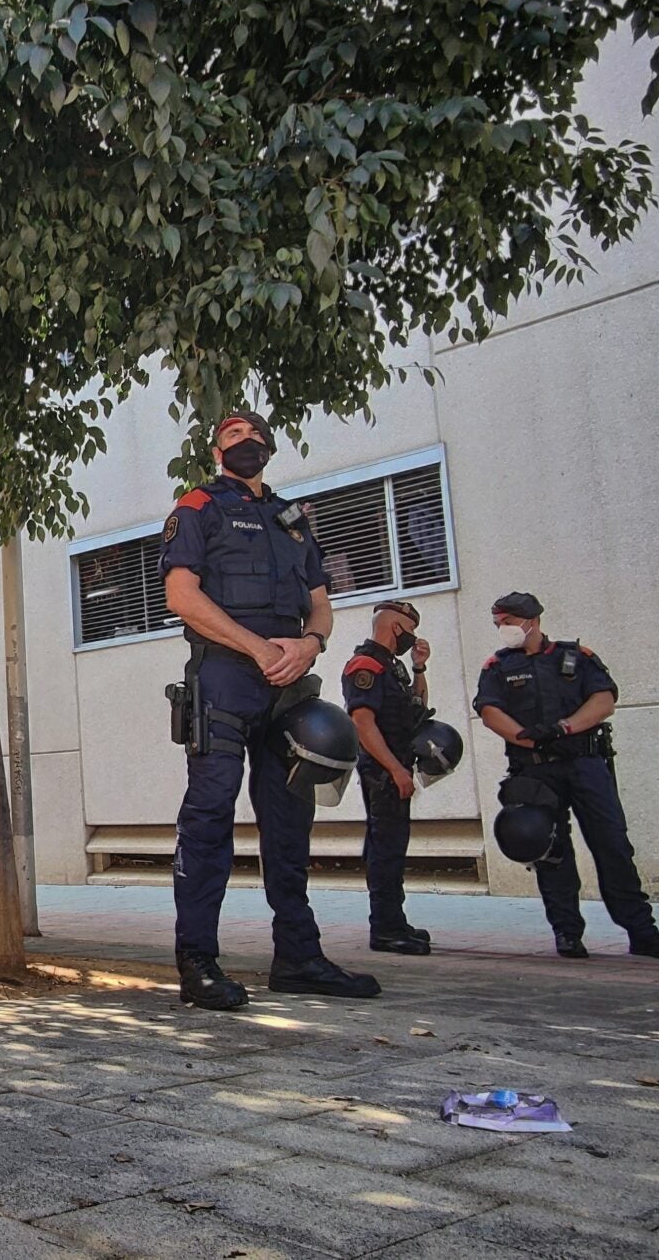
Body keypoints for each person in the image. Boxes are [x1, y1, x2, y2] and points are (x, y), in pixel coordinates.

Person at [159, 411, 380, 1008]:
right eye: (232, 436)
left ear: (270, 446)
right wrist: (258, 648)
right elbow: (182, 595)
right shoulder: (198, 505)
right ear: (215, 450)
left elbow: (320, 604)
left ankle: (299, 958)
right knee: (209, 819)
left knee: (290, 823)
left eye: (254, 435)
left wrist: (310, 646)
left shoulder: (293, 520)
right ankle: (198, 963)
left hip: (290, 683)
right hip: (226, 677)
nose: (245, 442)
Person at [474, 593, 659, 960]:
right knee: (549, 851)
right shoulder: (498, 666)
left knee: (613, 845)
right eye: (497, 624)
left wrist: (564, 728)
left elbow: (603, 701)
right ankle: (567, 933)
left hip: (584, 763)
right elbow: (490, 710)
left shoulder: (576, 657)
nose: (501, 629)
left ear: (531, 620)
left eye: (506, 621)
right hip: (535, 768)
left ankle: (642, 932)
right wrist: (525, 736)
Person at [342, 599, 433, 956]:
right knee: (386, 849)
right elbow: (362, 722)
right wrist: (395, 769)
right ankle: (385, 928)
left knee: (394, 846)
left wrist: (420, 668)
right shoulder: (365, 665)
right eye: (409, 632)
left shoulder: (393, 668)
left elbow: (418, 708)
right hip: (382, 771)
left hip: (397, 766)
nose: (411, 638)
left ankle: (395, 920)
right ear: (394, 627)